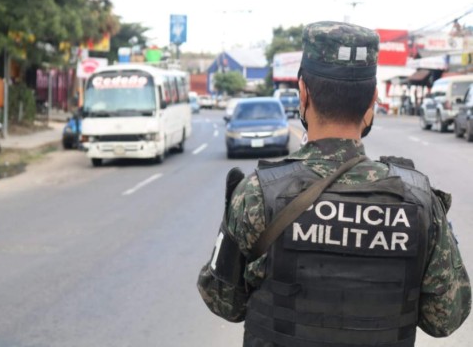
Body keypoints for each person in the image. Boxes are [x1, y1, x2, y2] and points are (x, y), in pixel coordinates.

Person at [197, 21, 471, 347]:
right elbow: (446, 317)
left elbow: (223, 301)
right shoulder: (418, 200)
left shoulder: (257, 194)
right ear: (372, 100)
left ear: (303, 93)